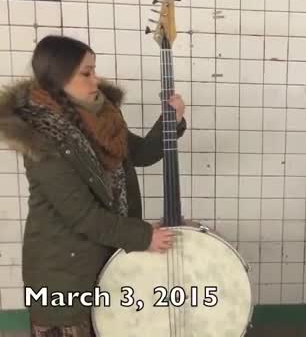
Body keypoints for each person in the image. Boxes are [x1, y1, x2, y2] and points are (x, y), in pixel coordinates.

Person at [0, 35, 187, 336]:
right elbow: (81, 215)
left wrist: (170, 120)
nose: (95, 80)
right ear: (58, 77)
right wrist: (143, 236)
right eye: (86, 73)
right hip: (64, 272)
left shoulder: (103, 116)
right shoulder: (42, 136)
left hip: (107, 257)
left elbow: (139, 153)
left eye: (94, 69)